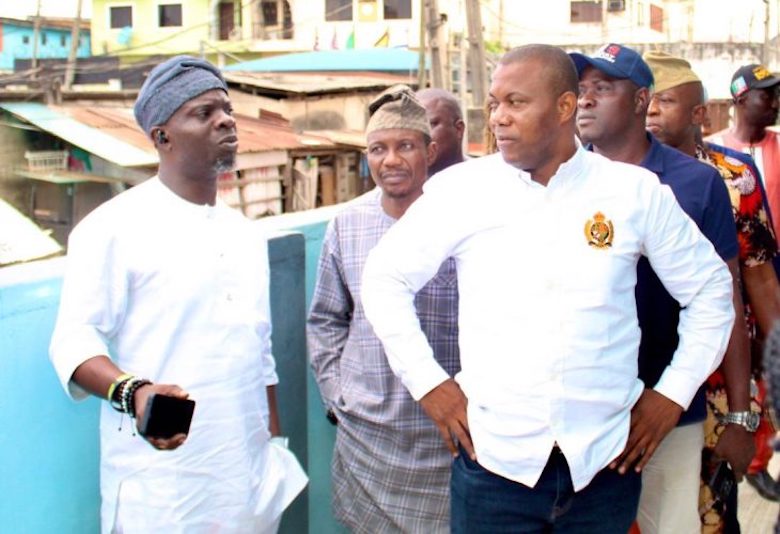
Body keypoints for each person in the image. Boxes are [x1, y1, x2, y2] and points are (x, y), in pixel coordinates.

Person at [361, 44, 735, 533]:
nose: (498, 118)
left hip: (603, 468)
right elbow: (384, 279)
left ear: (564, 107)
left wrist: (671, 395)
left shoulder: (632, 192)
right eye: (494, 103)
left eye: (515, 103)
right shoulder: (463, 191)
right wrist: (430, 384)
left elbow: (711, 290)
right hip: (495, 468)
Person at [48, 56, 306, 533]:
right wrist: (135, 393)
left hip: (245, 482)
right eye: (203, 113)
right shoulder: (112, 229)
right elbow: (72, 343)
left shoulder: (244, 235)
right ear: (162, 136)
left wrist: (273, 444)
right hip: (165, 488)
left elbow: (260, 352)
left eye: (226, 108)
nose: (225, 120)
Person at [573, 43, 743, 534]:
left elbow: (724, 297)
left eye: (602, 89)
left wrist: (738, 414)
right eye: (581, 90)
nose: (585, 100)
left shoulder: (695, 182)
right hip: (586, 411)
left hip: (668, 407)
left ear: (641, 99)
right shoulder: (560, 179)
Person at [307, 85, 460, 533]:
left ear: (430, 151)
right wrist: (338, 396)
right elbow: (326, 319)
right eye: (378, 149)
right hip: (367, 440)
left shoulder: (459, 222)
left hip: (445, 439)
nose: (391, 160)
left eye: (405, 146)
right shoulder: (347, 223)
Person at [643, 50, 780, 532]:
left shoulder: (734, 175)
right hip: (641, 375)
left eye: (665, 101)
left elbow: (759, 277)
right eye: (646, 100)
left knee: (712, 509)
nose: (652, 111)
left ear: (699, 113)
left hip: (723, 373)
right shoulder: (613, 176)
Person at [708, 64, 780, 240]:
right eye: (766, 97)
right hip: (733, 259)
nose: (775, 103)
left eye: (776, 96)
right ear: (741, 100)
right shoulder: (711, 150)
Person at [416, 88, 466, 175]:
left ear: (459, 129)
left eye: (429, 125)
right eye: (414, 126)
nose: (418, 134)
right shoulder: (397, 185)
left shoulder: (486, 179)